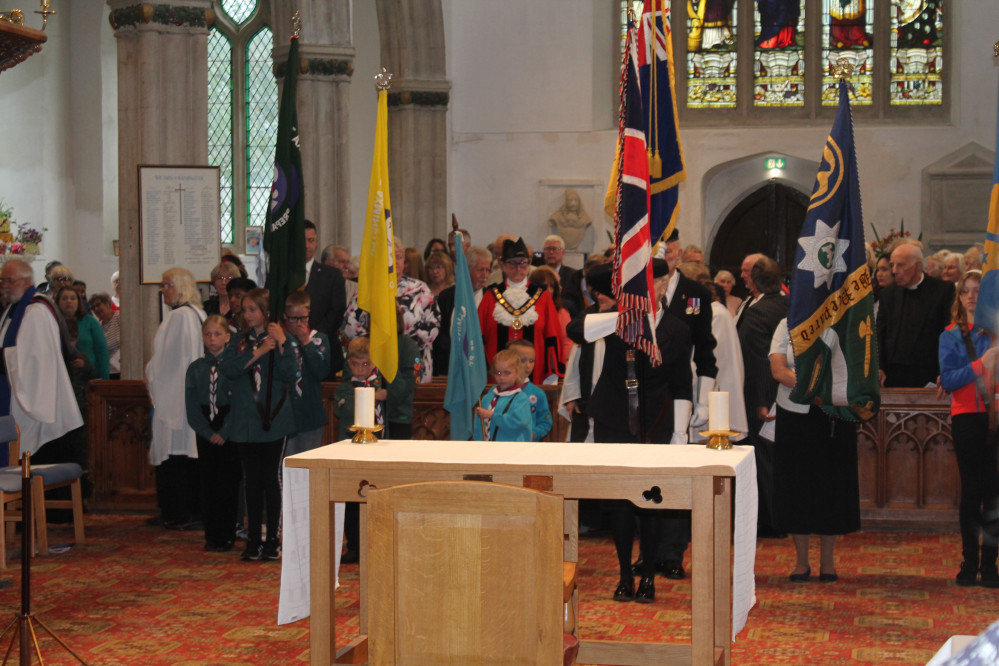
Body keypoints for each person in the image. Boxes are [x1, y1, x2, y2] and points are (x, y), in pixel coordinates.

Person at [566, 259, 693, 604]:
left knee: (650, 502)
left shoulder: (678, 330)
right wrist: (621, 315)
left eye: (653, 284)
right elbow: (576, 331)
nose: (648, 291)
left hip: (654, 424)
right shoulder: (617, 321)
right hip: (613, 418)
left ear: (664, 285)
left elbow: (682, 385)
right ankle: (624, 575)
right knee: (619, 503)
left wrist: (680, 436)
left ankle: (648, 576)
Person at [770, 317, 860, 582]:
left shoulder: (845, 321)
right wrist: (814, 386)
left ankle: (828, 562)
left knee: (831, 486)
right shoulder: (786, 324)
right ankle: (801, 562)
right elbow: (778, 369)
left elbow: (854, 367)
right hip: (795, 413)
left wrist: (826, 389)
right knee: (797, 486)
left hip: (834, 410)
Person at [222, 288, 297, 562]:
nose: (248, 315)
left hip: (272, 420)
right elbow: (229, 370)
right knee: (250, 481)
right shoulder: (238, 341)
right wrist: (257, 352)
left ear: (266, 313)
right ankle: (253, 540)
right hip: (245, 420)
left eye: (253, 309)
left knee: (270, 480)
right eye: (245, 310)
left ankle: (272, 541)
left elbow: (290, 374)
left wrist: (281, 344)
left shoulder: (279, 338)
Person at [938, 270, 999, 587]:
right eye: (966, 291)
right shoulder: (949, 335)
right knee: (972, 492)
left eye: (978, 290)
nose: (973, 296)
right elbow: (948, 379)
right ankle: (969, 562)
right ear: (959, 297)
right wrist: (980, 364)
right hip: (966, 416)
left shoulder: (995, 333)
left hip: (996, 416)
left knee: (994, 495)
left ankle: (990, 566)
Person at [0, 259, 83, 467]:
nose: (4, 286)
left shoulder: (37, 311)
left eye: (9, 280)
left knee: (39, 463)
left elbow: (37, 360)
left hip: (38, 404)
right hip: (14, 397)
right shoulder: (12, 311)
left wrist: (4, 358)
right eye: (2, 281)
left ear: (26, 281)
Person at [145, 267, 206, 530]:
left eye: (166, 284)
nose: (162, 290)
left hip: (174, 400)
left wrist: (150, 374)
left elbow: (166, 362)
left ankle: (175, 511)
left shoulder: (179, 317)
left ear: (180, 287)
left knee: (175, 455)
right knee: (185, 455)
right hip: (187, 399)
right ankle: (186, 511)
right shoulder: (198, 314)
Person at [736, 254, 788, 537]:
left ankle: (770, 520)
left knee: (764, 460)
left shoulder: (758, 312)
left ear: (755, 281)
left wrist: (760, 402)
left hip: (763, 398)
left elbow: (757, 362)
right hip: (785, 395)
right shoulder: (787, 305)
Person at [341, 236, 440, 382]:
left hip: (412, 361)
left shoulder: (420, 289)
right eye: (390, 256)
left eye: (399, 256)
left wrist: (402, 347)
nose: (395, 261)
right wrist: (376, 345)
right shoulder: (368, 290)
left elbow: (433, 324)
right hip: (375, 362)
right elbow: (350, 325)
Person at [184, 315, 240, 553]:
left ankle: (227, 534)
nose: (212, 339)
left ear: (227, 337)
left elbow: (240, 401)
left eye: (217, 334)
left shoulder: (235, 365)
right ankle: (211, 534)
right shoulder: (196, 368)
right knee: (208, 483)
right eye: (208, 334)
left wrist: (225, 431)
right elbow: (190, 405)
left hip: (229, 426)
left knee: (228, 483)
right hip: (206, 427)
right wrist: (207, 431)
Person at [478, 237, 562, 385]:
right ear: (502, 265)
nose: (518, 268)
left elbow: (553, 337)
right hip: (495, 380)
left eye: (523, 263)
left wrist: (552, 375)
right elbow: (478, 339)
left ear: (529, 265)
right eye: (512, 263)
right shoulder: (490, 296)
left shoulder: (543, 297)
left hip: (534, 379)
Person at [877, 242, 955, 387]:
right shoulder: (888, 294)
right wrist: (880, 366)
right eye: (893, 265)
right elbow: (880, 332)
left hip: (928, 373)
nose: (894, 271)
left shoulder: (942, 290)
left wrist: (945, 370)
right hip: (893, 374)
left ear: (918, 266)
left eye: (900, 265)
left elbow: (948, 332)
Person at [282, 291, 331, 457]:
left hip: (311, 414)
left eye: (303, 318)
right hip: (286, 415)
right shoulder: (280, 341)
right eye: (293, 319)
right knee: (286, 465)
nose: (299, 324)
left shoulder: (319, 339)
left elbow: (321, 371)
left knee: (308, 465)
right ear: (285, 317)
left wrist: (306, 343)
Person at [303, 220, 347, 378]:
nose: (307, 245)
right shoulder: (283, 275)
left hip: (324, 347)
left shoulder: (332, 275)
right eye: (303, 240)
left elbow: (336, 312)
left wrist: (311, 336)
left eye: (311, 240)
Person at [473, 349, 533, 442]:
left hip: (512, 450)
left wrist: (492, 416)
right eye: (498, 373)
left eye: (507, 373)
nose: (502, 377)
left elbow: (519, 423)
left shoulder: (520, 398)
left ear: (517, 373)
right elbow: (479, 427)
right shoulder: (487, 398)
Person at [56, 286, 109, 379]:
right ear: (58, 302)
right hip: (61, 375)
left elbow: (102, 352)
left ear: (78, 301)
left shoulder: (90, 321)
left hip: (88, 375)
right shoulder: (53, 322)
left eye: (72, 298)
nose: (69, 301)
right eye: (64, 298)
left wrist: (104, 380)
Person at [507, 339, 552, 441]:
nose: (528, 366)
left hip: (527, 447)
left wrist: (533, 434)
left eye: (531, 361)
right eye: (522, 360)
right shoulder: (497, 391)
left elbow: (545, 421)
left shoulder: (537, 393)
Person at [528, 265, 571, 368]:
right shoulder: (524, 310)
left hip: (554, 367)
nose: (549, 290)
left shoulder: (562, 313)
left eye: (552, 286)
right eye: (544, 285)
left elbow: (567, 344)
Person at [541, 234, 584, 317]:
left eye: (555, 249)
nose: (551, 252)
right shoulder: (538, 274)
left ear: (563, 252)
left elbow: (577, 303)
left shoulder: (573, 275)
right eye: (548, 249)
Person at [90, 292, 121, 379]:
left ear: (107, 303)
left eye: (98, 305)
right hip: (108, 372)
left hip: (122, 369)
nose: (96, 309)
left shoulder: (119, 317)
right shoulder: (98, 326)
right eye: (93, 308)